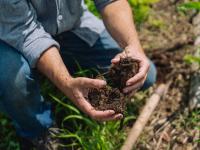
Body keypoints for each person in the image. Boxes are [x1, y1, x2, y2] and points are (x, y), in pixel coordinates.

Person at [0, 0, 157, 149]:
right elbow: (26, 33)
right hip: (12, 34)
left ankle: (51, 67)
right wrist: (66, 82)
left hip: (71, 27)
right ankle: (36, 130)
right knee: (13, 78)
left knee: (144, 76)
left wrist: (133, 46)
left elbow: (110, 2)